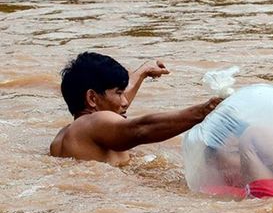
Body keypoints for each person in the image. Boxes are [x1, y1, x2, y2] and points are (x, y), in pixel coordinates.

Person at [50, 52, 222, 165]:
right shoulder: (92, 123)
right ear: (92, 98)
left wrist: (144, 71)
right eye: (118, 93)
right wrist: (205, 110)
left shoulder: (70, 133)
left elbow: (115, 108)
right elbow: (141, 129)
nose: (125, 102)